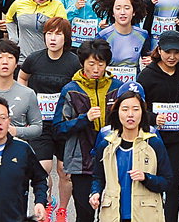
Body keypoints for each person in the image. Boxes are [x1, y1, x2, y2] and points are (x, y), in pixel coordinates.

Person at [52, 38, 123, 222]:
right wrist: (84, 119)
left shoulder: (117, 88)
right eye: (91, 63)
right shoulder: (71, 90)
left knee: (114, 211)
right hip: (81, 161)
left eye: (101, 63)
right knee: (85, 213)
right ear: (82, 63)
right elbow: (58, 129)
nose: (96, 68)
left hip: (114, 157)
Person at [18, 17, 80, 221]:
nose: (53, 39)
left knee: (65, 172)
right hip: (40, 124)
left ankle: (62, 209)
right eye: (49, 34)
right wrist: (27, 102)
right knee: (42, 169)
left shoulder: (73, 61)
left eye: (58, 34)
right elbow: (23, 77)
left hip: (64, 124)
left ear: (66, 37)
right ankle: (48, 202)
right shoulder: (34, 59)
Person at [137, 30, 179, 222]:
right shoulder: (147, 76)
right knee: (150, 182)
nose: (172, 57)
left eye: (177, 52)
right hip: (151, 140)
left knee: (172, 184)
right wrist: (152, 118)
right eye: (167, 52)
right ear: (159, 50)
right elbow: (136, 108)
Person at [89, 82, 173, 221]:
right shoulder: (106, 145)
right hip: (113, 214)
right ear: (117, 112)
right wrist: (95, 193)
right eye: (125, 109)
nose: (130, 115)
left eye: (135, 109)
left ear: (142, 112)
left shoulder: (153, 143)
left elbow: (167, 181)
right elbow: (98, 177)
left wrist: (146, 178)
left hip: (145, 215)